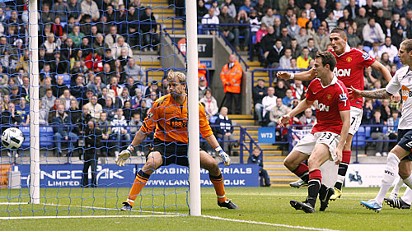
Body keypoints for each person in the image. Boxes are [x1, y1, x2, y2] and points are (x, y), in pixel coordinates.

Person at [277, 27, 393, 200]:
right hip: (332, 105)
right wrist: (292, 77)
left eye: (336, 39)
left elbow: (381, 67)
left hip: (352, 105)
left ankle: (338, 185)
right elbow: (312, 73)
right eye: (331, 39)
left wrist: (392, 89)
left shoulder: (358, 55)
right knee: (319, 144)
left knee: (345, 141)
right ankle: (313, 179)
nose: (332, 42)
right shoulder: (328, 57)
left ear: (345, 40)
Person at [115, 70, 237, 211]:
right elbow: (144, 130)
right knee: (151, 163)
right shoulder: (160, 104)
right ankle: (129, 202)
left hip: (187, 147)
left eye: (173, 85)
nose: (170, 88)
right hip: (163, 146)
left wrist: (219, 150)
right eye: (169, 85)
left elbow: (206, 131)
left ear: (184, 86)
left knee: (213, 164)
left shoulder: (196, 106)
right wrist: (130, 149)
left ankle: (222, 199)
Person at [279, 51, 350, 213]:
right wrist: (290, 114)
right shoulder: (315, 83)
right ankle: (323, 190)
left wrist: (340, 147)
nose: (313, 68)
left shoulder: (340, 89)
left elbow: (346, 121)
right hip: (317, 129)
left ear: (327, 67)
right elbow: (308, 102)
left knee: (313, 161)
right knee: (290, 162)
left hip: (333, 132)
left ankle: (310, 203)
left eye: (316, 66)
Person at [352, 39, 412, 212]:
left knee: (393, 156)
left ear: (411, 53)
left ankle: (378, 200)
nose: (398, 54)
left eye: (401, 51)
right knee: (404, 172)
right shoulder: (401, 73)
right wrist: (361, 93)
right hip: (404, 125)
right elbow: (386, 92)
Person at [81, 120, 102, 188]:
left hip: (94, 153)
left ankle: (94, 185)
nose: (89, 127)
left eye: (91, 126)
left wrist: (89, 140)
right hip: (87, 152)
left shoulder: (98, 132)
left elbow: (97, 143)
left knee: (93, 170)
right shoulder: (86, 132)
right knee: (85, 169)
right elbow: (84, 142)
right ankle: (85, 184)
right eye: (88, 126)